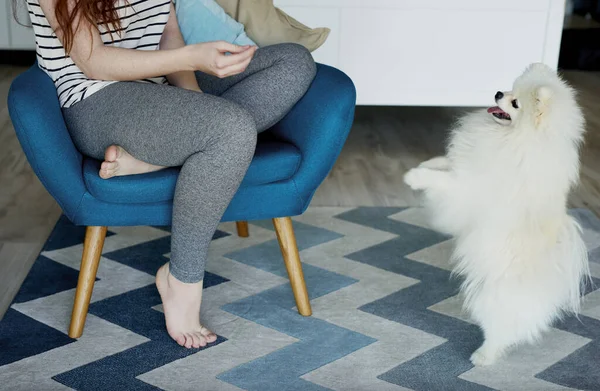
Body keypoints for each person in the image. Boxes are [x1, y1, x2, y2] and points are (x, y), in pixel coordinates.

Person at [27, 0, 316, 348]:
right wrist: (191, 61)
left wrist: (197, 107)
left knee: (294, 61)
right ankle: (181, 280)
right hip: (97, 99)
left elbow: (168, 33)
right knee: (230, 129)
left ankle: (158, 157)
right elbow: (93, 61)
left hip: (158, 85)